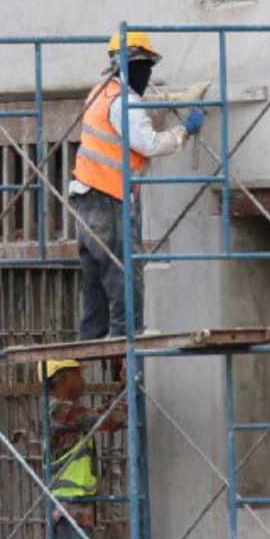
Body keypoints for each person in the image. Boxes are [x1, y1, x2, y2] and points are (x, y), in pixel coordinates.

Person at [69, 31, 206, 340]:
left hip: (88, 196)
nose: (148, 75)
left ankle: (91, 336)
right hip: (108, 196)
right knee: (123, 267)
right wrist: (184, 131)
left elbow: (132, 120)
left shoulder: (101, 93)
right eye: (145, 67)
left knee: (96, 275)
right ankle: (128, 331)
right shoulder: (124, 102)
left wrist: (176, 99)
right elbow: (149, 143)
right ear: (132, 67)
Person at [42, 358, 127, 539]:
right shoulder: (60, 412)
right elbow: (110, 420)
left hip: (77, 504)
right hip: (70, 505)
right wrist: (128, 392)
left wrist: (120, 391)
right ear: (62, 379)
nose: (82, 380)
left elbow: (100, 416)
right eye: (77, 374)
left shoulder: (69, 413)